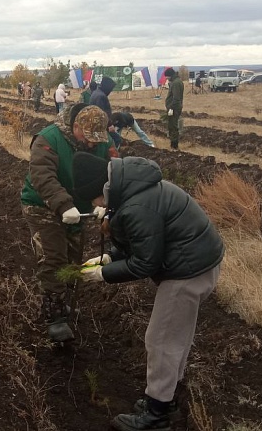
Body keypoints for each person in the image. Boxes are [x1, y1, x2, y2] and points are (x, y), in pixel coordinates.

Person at [71, 153, 223, 431]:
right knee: (176, 337)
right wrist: (110, 258)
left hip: (187, 272)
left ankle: (156, 416)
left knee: (161, 340)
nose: (95, 207)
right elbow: (146, 243)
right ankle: (166, 397)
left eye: (93, 201)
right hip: (197, 262)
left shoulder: (136, 206)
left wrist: (103, 274)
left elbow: (145, 262)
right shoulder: (135, 188)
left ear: (99, 190)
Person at [19, 105, 117, 342]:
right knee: (54, 257)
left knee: (73, 257)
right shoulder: (48, 139)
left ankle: (67, 302)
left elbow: (115, 170)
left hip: (79, 209)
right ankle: (54, 314)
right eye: (88, 138)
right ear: (75, 127)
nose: (93, 144)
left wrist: (106, 201)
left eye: (98, 139)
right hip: (42, 205)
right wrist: (63, 205)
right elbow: (43, 176)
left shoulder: (103, 141)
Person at [164, 67, 184, 150]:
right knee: (172, 126)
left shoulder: (176, 83)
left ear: (170, 75)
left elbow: (176, 98)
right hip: (174, 107)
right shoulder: (176, 81)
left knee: (173, 126)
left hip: (174, 108)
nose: (167, 79)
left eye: (167, 77)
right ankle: (173, 144)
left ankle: (174, 146)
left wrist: (171, 108)